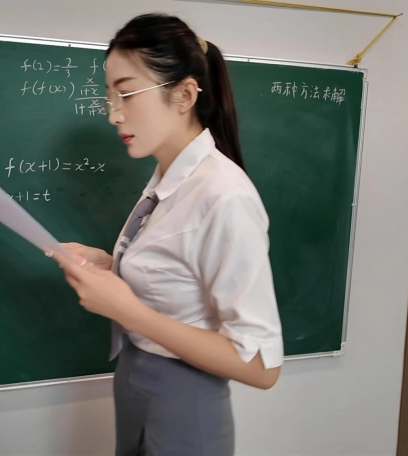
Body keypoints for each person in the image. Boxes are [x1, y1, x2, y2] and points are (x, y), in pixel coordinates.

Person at [47, 13, 283, 456]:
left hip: (184, 403)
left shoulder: (225, 195)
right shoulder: (167, 179)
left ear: (185, 95)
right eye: (109, 96)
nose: (114, 114)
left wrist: (130, 312)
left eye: (126, 93)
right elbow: (179, 279)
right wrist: (111, 266)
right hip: (136, 383)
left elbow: (260, 365)